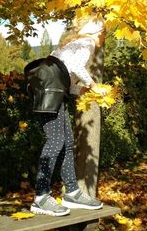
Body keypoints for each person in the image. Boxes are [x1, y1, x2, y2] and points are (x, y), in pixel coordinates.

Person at [25, 18, 106, 216]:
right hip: (50, 91)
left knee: (67, 141)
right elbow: (78, 68)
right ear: (98, 33)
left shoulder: (73, 44)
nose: (104, 38)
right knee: (56, 141)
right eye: (104, 33)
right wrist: (94, 85)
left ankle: (72, 192)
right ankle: (41, 196)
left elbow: (68, 80)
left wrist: (82, 90)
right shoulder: (86, 43)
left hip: (53, 90)